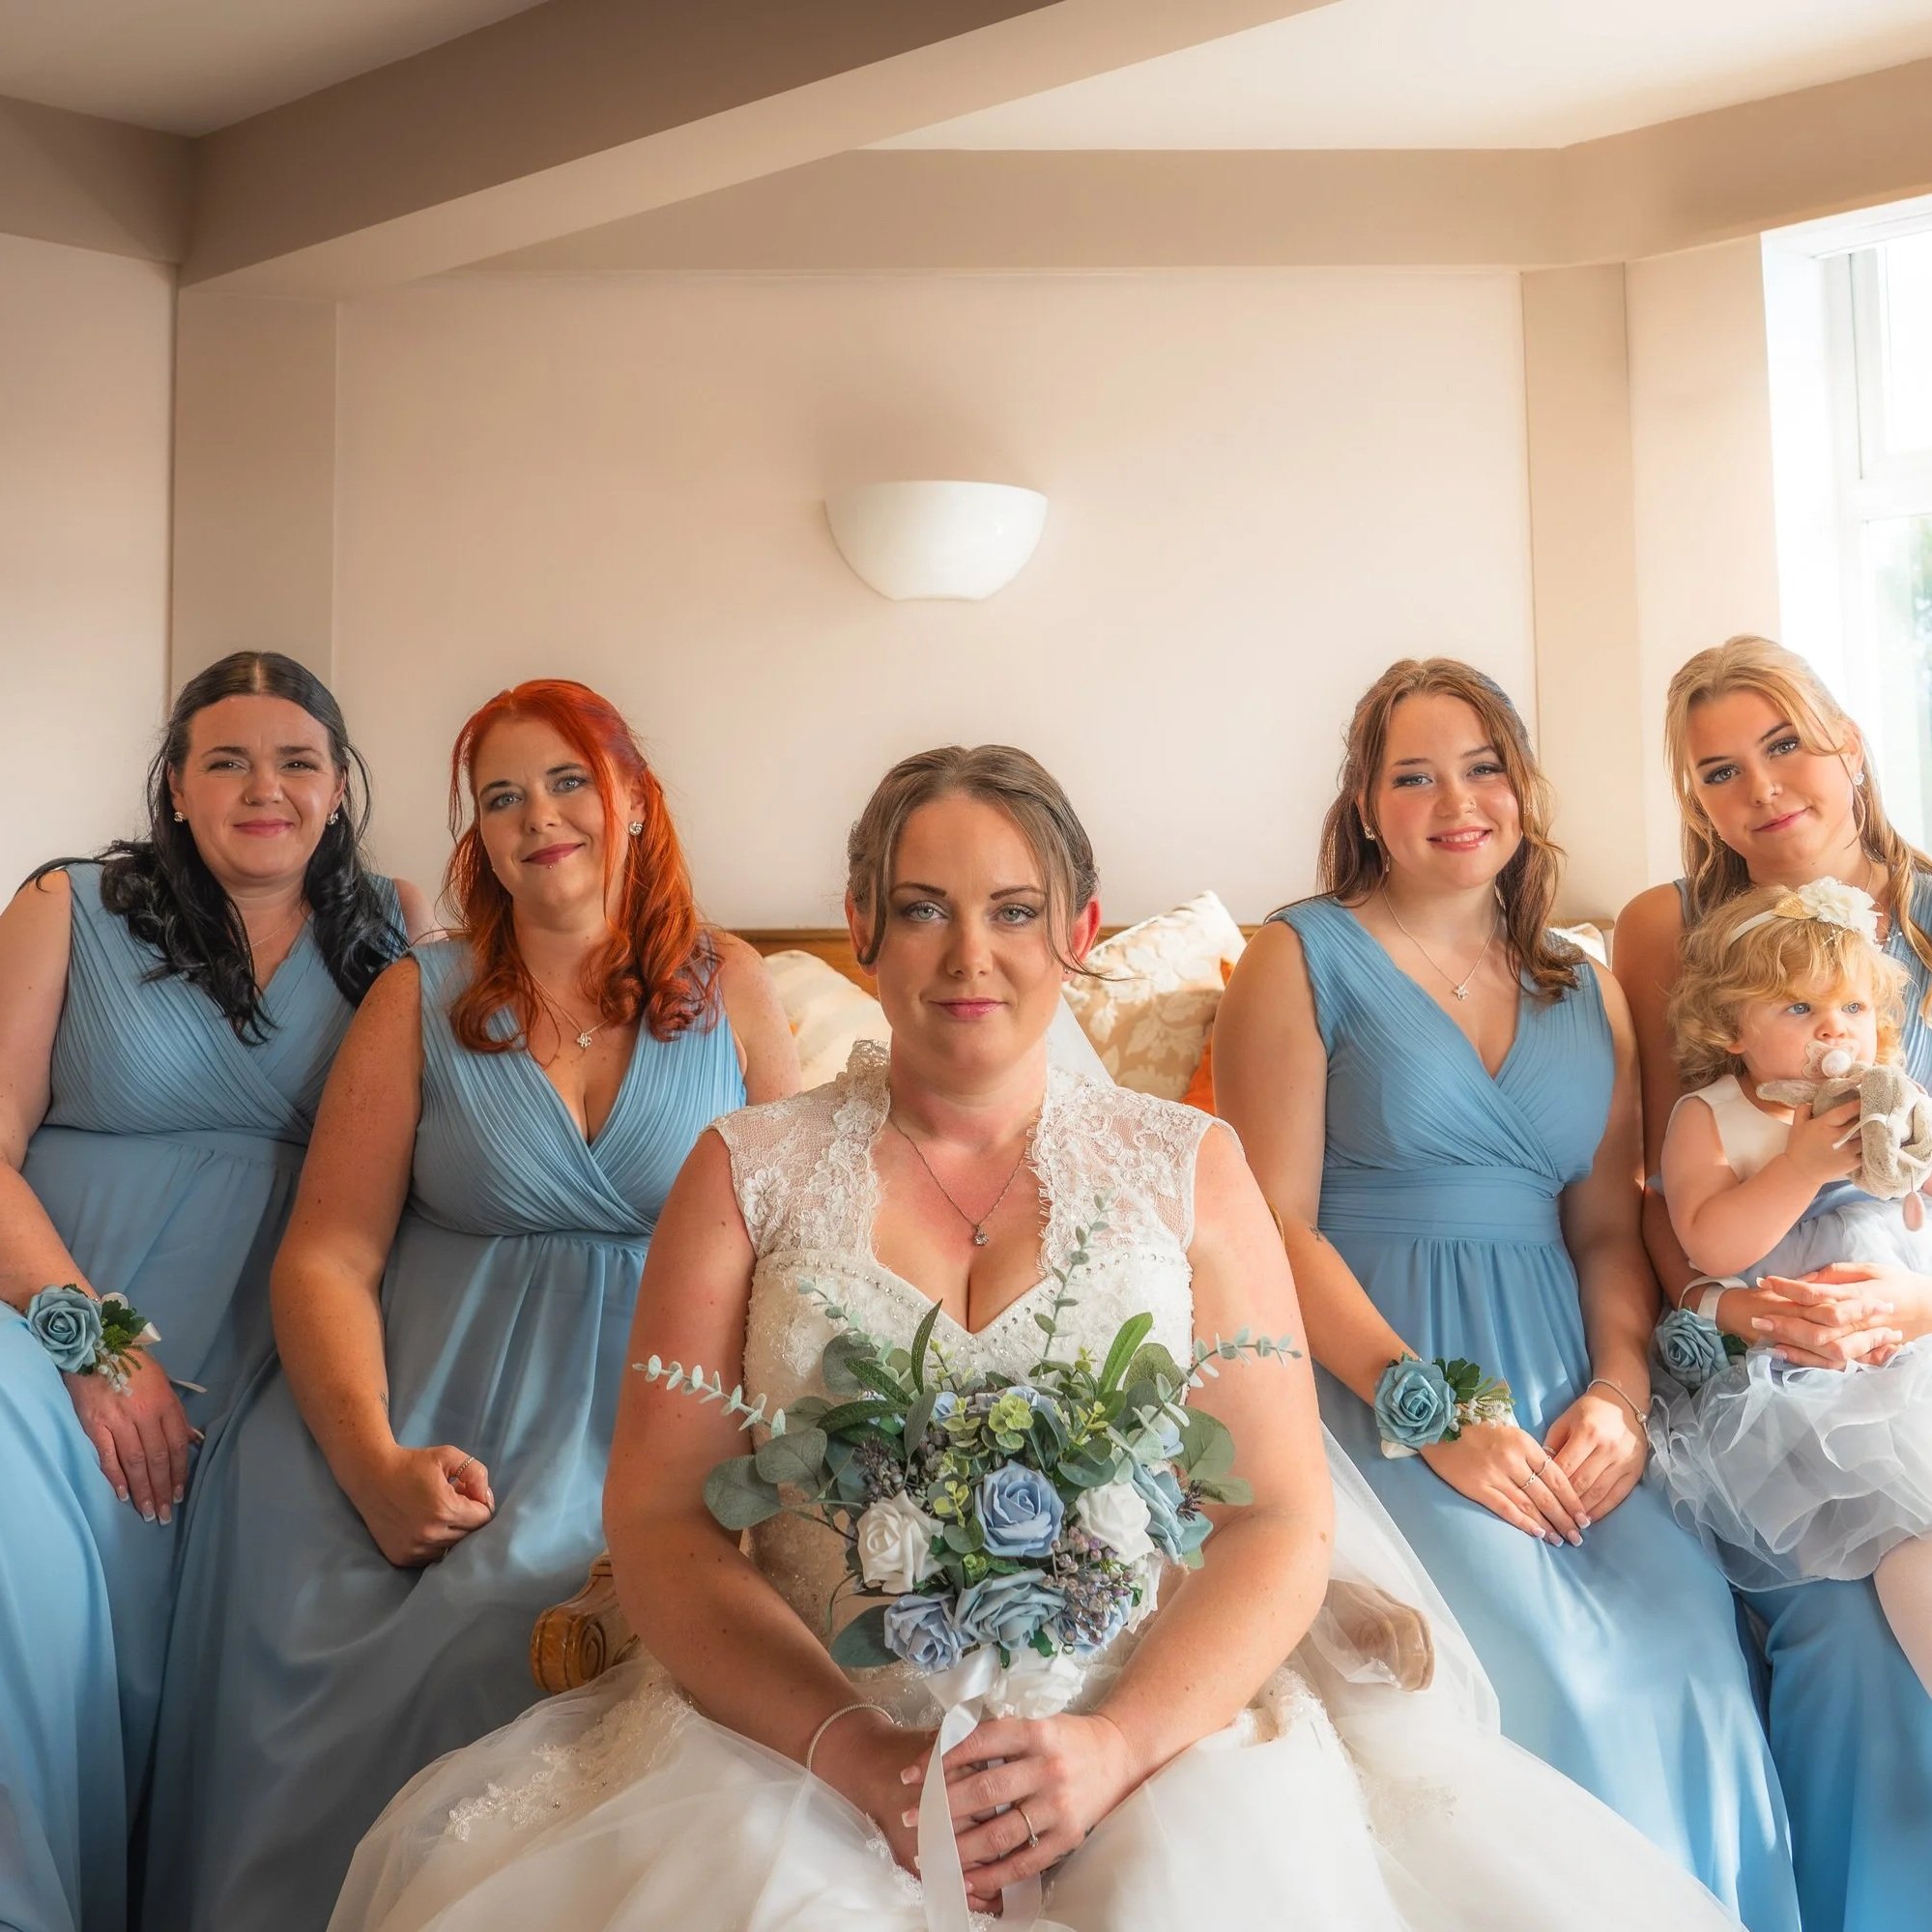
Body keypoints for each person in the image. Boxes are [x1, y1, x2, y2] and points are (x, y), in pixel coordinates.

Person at [328, 743, 1739, 1932]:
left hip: (1147, 1718)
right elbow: (661, 1515)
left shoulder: (1187, 1162)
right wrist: (849, 1748)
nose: (969, 952)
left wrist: (1114, 1744)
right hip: (805, 1734)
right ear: (859, 923)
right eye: (922, 907)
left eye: (1013, 907)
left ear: (1079, 923)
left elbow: (1275, 1513)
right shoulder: (742, 1167)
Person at [140, 679, 796, 1932]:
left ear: (636, 804)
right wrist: (375, 1460)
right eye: (500, 795)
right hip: (428, 1403)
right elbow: (325, 1255)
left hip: (656, 1417)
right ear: (478, 837)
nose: (536, 814)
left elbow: (805, 1246)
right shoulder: (419, 995)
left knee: (545, 1619)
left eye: (565, 781)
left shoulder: (740, 988)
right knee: (391, 1621)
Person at [1215, 659, 1798, 1928]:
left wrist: (1618, 1399)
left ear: (1520, 787)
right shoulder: (1295, 954)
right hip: (1367, 1380)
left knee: (1694, 1645)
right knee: (1542, 1668)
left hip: (1560, 1381)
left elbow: (1601, 1228)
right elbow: (1269, 1223)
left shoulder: (1575, 983)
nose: (1453, 799)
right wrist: (1427, 1408)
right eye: (1411, 774)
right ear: (1365, 804)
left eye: (1480, 765)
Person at [0, 649, 424, 1932]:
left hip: (283, 1360)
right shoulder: (65, 905)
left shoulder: (405, 931)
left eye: (298, 760)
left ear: (338, 787)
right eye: (225, 758)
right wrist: (93, 1340)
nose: (264, 787)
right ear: (174, 785)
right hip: (53, 1330)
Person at [1614, 635, 1932, 1930]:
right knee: (1839, 1631)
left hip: (1913, 1326)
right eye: (1716, 770)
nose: (1759, 786)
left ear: (1844, 739)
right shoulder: (1661, 929)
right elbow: (1655, 1188)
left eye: (1783, 743)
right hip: (1759, 1361)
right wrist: (1718, 1305)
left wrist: (1913, 1307)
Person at [1644, 879, 1932, 1688]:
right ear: (1731, 1028)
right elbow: (1708, 1240)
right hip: (1803, 1381)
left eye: (1851, 1009)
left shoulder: (1888, 1099)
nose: (1832, 1030)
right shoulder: (1710, 1115)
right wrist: (1800, 1167)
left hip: (1904, 1341)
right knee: (1911, 1538)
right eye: (1797, 1010)